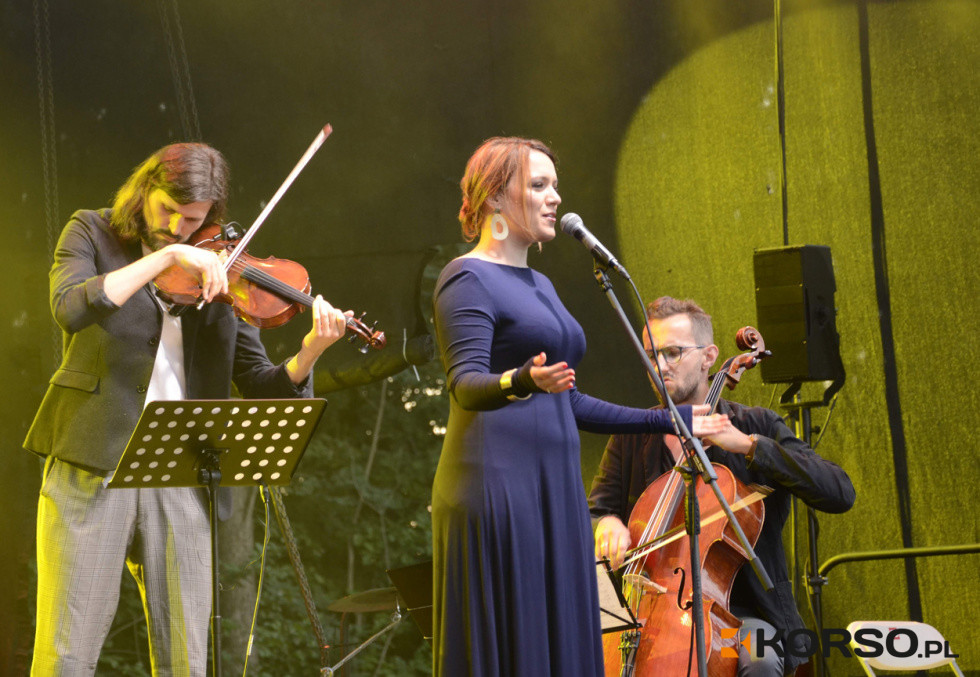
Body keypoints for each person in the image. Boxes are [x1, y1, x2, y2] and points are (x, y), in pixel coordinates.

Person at [24, 142, 351, 676]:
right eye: (166, 209)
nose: (177, 226)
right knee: (66, 653)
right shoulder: (92, 231)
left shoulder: (223, 273)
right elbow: (70, 306)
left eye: (192, 219)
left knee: (187, 661)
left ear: (213, 217)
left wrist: (310, 350)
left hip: (179, 469)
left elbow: (261, 384)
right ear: (144, 190)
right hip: (92, 462)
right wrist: (168, 258)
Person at [430, 138, 730, 676]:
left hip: (554, 487)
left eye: (554, 185)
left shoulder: (541, 283)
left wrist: (671, 418)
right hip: (499, 485)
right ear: (497, 197)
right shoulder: (466, 277)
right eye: (539, 185)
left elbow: (571, 401)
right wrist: (521, 379)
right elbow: (465, 384)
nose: (554, 198)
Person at [588, 296, 856, 676]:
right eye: (651, 355)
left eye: (673, 352)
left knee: (759, 662)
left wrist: (749, 447)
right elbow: (596, 509)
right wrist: (606, 525)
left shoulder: (756, 426)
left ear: (709, 356)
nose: (660, 366)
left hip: (746, 617)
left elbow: (840, 491)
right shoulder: (632, 432)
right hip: (648, 614)